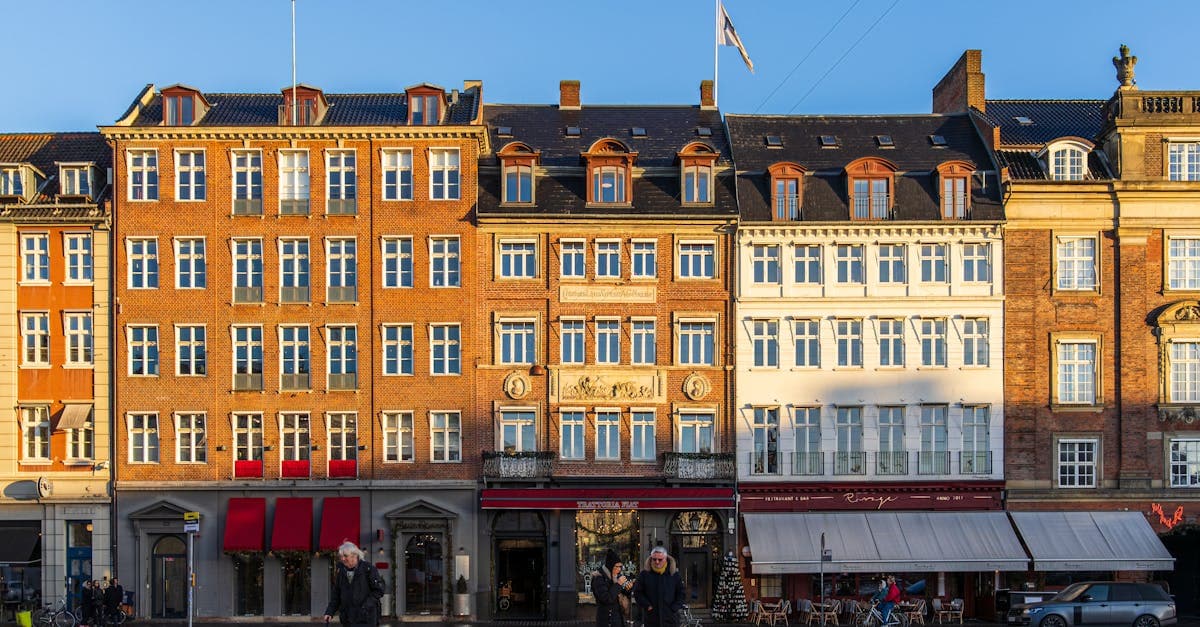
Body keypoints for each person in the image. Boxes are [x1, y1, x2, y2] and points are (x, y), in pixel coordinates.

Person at [323, 541, 385, 627]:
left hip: (366, 619)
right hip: (347, 619)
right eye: (341, 556)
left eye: (345, 556)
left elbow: (379, 590)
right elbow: (336, 594)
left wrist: (365, 606)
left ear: (355, 555)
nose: (342, 559)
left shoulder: (368, 569)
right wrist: (329, 612)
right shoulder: (341, 571)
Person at [633, 546, 684, 627]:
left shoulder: (674, 574)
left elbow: (681, 593)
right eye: (654, 559)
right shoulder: (644, 575)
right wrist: (647, 605)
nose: (657, 562)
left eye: (660, 559)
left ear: (666, 559)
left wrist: (674, 608)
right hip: (651, 618)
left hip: (670, 619)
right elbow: (638, 593)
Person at [592, 549, 633, 627]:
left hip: (618, 617)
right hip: (606, 620)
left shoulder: (616, 576)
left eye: (620, 566)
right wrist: (618, 584)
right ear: (610, 566)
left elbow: (624, 593)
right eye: (616, 566)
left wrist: (629, 588)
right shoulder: (598, 577)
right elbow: (606, 598)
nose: (619, 569)